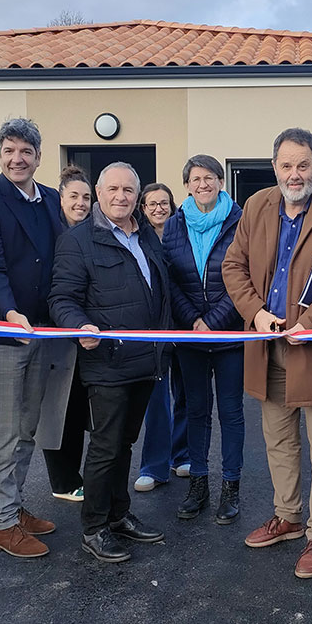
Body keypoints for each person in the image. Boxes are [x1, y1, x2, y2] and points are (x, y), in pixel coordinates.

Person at [222, 127, 312, 579]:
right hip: (267, 345)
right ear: (274, 168)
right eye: (286, 165)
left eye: (303, 164)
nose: (294, 173)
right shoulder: (256, 205)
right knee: (279, 440)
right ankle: (287, 516)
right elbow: (234, 265)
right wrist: (256, 314)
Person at [49, 162, 171, 564]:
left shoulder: (147, 236)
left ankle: (119, 515)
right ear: (98, 192)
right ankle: (95, 526)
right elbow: (61, 298)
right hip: (107, 361)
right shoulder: (78, 241)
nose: (121, 197)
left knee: (125, 442)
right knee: (105, 445)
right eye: (113, 189)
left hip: (146, 360)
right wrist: (78, 323)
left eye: (129, 191)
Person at [0, 118, 62, 558]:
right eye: (9, 150)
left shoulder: (53, 201)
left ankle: (14, 505)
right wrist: (9, 314)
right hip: (5, 334)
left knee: (27, 428)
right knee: (3, 430)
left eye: (26, 151)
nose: (17, 158)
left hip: (42, 330)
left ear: (39, 157)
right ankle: (2, 525)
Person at [162, 155, 246, 523]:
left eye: (210, 178)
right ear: (187, 185)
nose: (203, 185)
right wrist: (193, 320)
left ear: (220, 182)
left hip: (228, 335)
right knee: (196, 411)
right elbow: (170, 280)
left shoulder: (240, 220)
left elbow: (247, 276)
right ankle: (198, 483)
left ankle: (231, 486)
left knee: (231, 413)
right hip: (190, 335)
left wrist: (213, 320)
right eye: (195, 179)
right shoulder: (174, 224)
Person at [135, 182, 192, 493]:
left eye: (164, 203)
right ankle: (153, 466)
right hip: (152, 330)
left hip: (183, 326)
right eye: (151, 204)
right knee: (156, 400)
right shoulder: (137, 239)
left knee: (184, 393)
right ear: (143, 209)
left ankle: (181, 455)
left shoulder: (181, 236)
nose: (158, 208)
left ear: (172, 205)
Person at [40, 165, 93, 503]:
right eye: (74, 196)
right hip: (55, 332)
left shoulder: (92, 233)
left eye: (86, 197)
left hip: (84, 334)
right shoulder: (51, 235)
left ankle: (74, 476)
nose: (81, 202)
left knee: (76, 410)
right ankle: (62, 480)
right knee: (56, 409)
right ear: (61, 199)